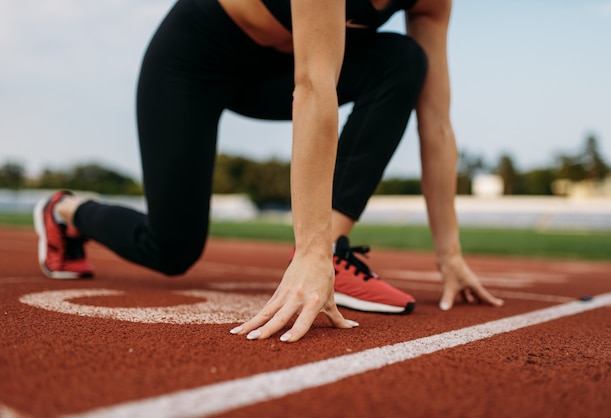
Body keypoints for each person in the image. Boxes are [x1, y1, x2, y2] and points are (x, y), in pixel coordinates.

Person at [34, 0, 503, 343]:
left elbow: (436, 124)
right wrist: (308, 249)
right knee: (172, 248)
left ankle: (335, 253)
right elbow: (315, 85)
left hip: (273, 73)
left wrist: (451, 254)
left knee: (403, 61)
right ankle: (66, 210)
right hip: (193, 62)